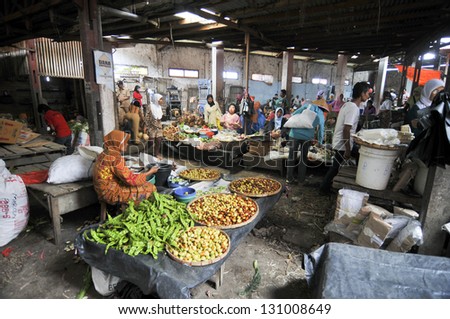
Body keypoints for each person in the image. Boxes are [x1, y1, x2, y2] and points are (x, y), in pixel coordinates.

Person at [319, 81, 371, 194]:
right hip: (343, 144)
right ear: (362, 93)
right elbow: (346, 129)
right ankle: (324, 188)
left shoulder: (347, 105)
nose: (368, 96)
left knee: (336, 167)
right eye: (367, 93)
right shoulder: (353, 108)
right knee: (335, 167)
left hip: (341, 142)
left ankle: (325, 187)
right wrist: (348, 149)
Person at [93, 130, 159, 205]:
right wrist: (150, 172)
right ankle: (139, 208)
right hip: (111, 193)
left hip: (101, 189)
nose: (127, 144)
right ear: (117, 143)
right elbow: (130, 180)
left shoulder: (104, 153)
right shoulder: (116, 158)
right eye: (124, 143)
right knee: (150, 188)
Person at [286, 102, 325, 185]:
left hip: (294, 135)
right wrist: (320, 142)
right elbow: (321, 129)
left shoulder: (307, 105)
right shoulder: (320, 114)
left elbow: (294, 114)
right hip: (307, 138)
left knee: (291, 156)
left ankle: (289, 179)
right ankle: (301, 180)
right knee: (303, 159)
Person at [145, 93, 164, 159]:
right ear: (156, 99)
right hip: (151, 126)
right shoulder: (150, 106)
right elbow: (147, 117)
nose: (162, 101)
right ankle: (145, 151)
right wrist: (146, 127)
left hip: (158, 126)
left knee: (158, 140)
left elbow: (160, 117)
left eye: (162, 99)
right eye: (160, 99)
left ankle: (156, 153)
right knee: (151, 141)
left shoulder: (159, 107)